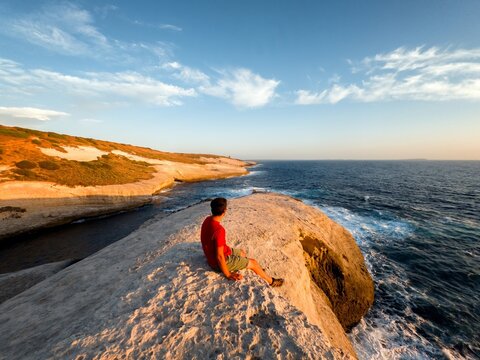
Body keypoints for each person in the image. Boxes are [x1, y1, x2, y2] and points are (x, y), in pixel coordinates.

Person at [200, 197, 284, 287]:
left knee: (242, 253)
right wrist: (228, 274)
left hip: (213, 254)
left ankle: (253, 267)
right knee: (253, 263)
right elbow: (220, 257)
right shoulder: (219, 230)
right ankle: (271, 282)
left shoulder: (207, 219)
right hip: (217, 263)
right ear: (224, 211)